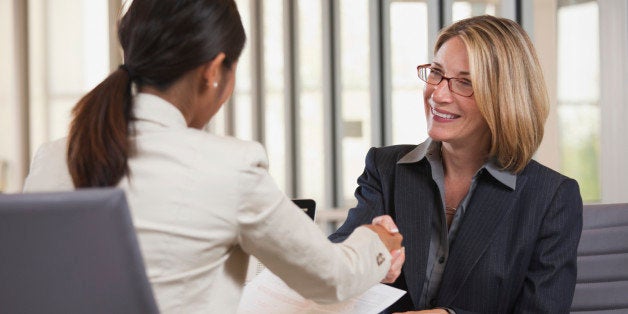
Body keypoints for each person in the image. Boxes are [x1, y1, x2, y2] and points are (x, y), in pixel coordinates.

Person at [22, 0, 405, 312]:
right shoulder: (231, 166)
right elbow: (331, 279)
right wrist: (377, 240)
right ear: (213, 71)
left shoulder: (54, 155)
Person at [329, 15, 583, 314]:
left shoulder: (551, 197)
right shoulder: (386, 169)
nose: (438, 94)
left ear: (505, 97)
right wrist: (360, 250)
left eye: (464, 82)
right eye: (436, 73)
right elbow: (329, 274)